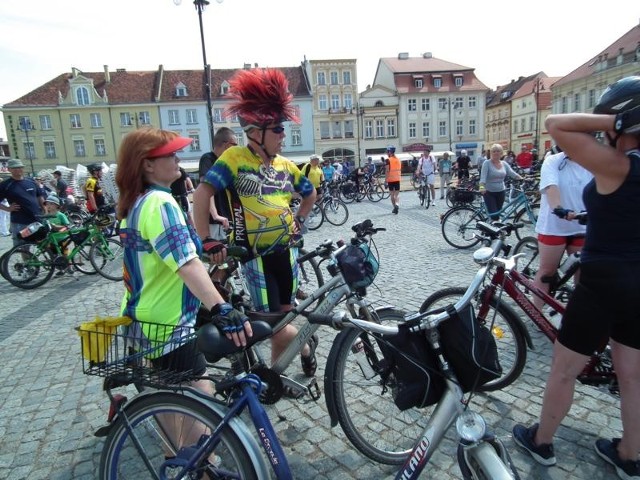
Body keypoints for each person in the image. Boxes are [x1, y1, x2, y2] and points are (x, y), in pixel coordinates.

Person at [512, 76, 640, 479]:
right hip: (638, 280)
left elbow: (557, 125)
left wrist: (614, 122)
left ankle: (542, 440)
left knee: (564, 369)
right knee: (632, 375)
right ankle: (630, 454)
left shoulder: (620, 164)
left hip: (602, 280)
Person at [192, 68, 318, 378]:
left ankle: (277, 373)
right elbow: (201, 194)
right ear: (255, 132)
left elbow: (310, 193)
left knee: (283, 320)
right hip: (255, 257)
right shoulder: (235, 158)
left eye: (282, 129)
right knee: (274, 325)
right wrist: (207, 238)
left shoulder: (286, 165)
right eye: (277, 129)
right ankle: (303, 347)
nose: (283, 135)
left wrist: (300, 220)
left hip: (286, 255)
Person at [530, 149, 592, 310]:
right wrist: (559, 208)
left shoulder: (590, 160)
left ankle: (579, 313)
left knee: (582, 273)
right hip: (554, 226)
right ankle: (536, 314)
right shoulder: (553, 161)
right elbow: (551, 187)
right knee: (547, 271)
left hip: (581, 225)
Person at [198, 127, 238, 241]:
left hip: (227, 219)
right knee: (218, 254)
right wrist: (215, 215)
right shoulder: (208, 159)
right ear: (227, 145)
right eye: (235, 145)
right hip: (216, 221)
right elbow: (205, 188)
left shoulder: (227, 163)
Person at [0, 158, 45, 247]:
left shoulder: (31, 181)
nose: (18, 169)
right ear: (9, 169)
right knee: (22, 246)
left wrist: (45, 209)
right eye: (14, 168)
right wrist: (8, 209)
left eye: (20, 167)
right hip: (20, 222)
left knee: (44, 244)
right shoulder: (5, 185)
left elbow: (40, 196)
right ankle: (27, 261)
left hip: (36, 219)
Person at [478, 144, 523, 220]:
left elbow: (512, 173)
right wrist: (482, 188)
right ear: (491, 153)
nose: (496, 153)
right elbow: (482, 179)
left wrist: (522, 178)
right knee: (494, 215)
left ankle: (492, 228)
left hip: (501, 191)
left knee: (498, 212)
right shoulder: (487, 163)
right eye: (494, 151)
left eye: (498, 151)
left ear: (501, 153)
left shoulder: (504, 164)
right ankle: (491, 230)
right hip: (489, 192)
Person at [43, 193, 74, 276]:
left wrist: (57, 227)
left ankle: (70, 267)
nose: (48, 206)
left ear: (57, 206)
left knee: (65, 253)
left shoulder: (60, 215)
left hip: (62, 238)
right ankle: (61, 268)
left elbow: (67, 226)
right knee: (55, 255)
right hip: (52, 240)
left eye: (51, 204)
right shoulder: (46, 216)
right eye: (47, 204)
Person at [385, 145, 401, 214]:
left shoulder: (388, 160)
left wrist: (385, 180)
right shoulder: (398, 159)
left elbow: (387, 171)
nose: (386, 153)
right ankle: (397, 204)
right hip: (397, 178)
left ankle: (395, 207)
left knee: (392, 195)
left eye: (387, 152)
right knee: (396, 195)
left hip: (390, 179)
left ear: (389, 152)